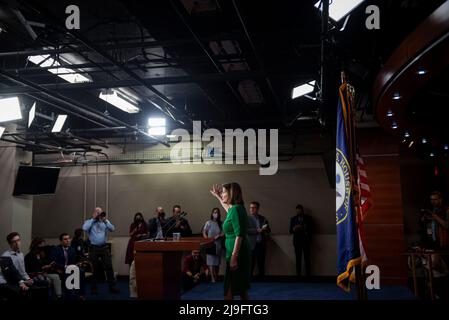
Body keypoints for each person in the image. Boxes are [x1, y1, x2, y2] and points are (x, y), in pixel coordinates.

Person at [210, 183, 251, 300]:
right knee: (241, 289)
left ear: (231, 194)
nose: (222, 194)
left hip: (237, 253)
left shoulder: (236, 209)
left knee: (229, 288)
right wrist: (217, 196)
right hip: (235, 251)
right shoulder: (235, 209)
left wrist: (234, 256)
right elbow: (226, 207)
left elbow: (240, 235)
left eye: (223, 192)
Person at [82, 207, 119, 294]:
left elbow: (112, 229)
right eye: (97, 212)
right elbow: (84, 228)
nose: (99, 214)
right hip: (93, 248)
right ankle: (94, 289)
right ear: (94, 213)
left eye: (100, 212)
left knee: (109, 267)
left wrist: (105, 220)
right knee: (94, 269)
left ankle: (112, 287)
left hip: (104, 248)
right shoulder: (89, 221)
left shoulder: (105, 221)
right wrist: (93, 218)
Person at [2, 232, 48, 300]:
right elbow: (9, 275)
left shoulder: (21, 254)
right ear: (10, 243)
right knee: (29, 290)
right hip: (13, 281)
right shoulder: (5, 256)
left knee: (44, 283)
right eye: (14, 241)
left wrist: (28, 279)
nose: (17, 243)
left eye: (18, 240)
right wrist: (21, 282)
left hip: (22, 279)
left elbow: (23, 271)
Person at [51, 233, 86, 299]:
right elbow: (54, 262)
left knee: (81, 271)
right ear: (61, 241)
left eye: (68, 239)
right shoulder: (56, 249)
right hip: (60, 269)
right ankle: (69, 295)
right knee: (69, 273)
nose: (68, 240)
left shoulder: (72, 249)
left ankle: (81, 294)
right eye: (65, 239)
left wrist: (76, 264)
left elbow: (73, 262)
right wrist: (64, 267)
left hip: (70, 268)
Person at [247, 201, 271, 279]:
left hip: (261, 244)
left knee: (261, 263)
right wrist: (257, 231)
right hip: (251, 244)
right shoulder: (247, 219)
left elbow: (269, 230)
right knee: (251, 264)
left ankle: (262, 281)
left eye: (254, 208)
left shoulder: (263, 218)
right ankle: (249, 281)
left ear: (258, 209)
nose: (251, 209)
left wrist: (266, 228)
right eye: (250, 207)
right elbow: (246, 230)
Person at [290, 204, 313, 278]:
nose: (298, 212)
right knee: (298, 258)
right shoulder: (293, 219)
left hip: (306, 241)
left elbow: (312, 229)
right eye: (297, 211)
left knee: (307, 258)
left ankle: (308, 274)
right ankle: (298, 274)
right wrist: (294, 229)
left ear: (302, 210)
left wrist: (303, 228)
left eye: (299, 210)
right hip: (297, 241)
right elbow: (290, 231)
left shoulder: (308, 218)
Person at [202, 208, 224, 282]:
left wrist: (220, 235)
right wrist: (207, 239)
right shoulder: (208, 222)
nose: (215, 214)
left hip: (218, 243)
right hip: (210, 243)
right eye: (214, 212)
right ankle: (212, 278)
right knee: (211, 261)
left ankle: (216, 276)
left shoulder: (221, 223)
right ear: (212, 213)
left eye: (217, 212)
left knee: (217, 261)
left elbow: (223, 232)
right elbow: (204, 231)